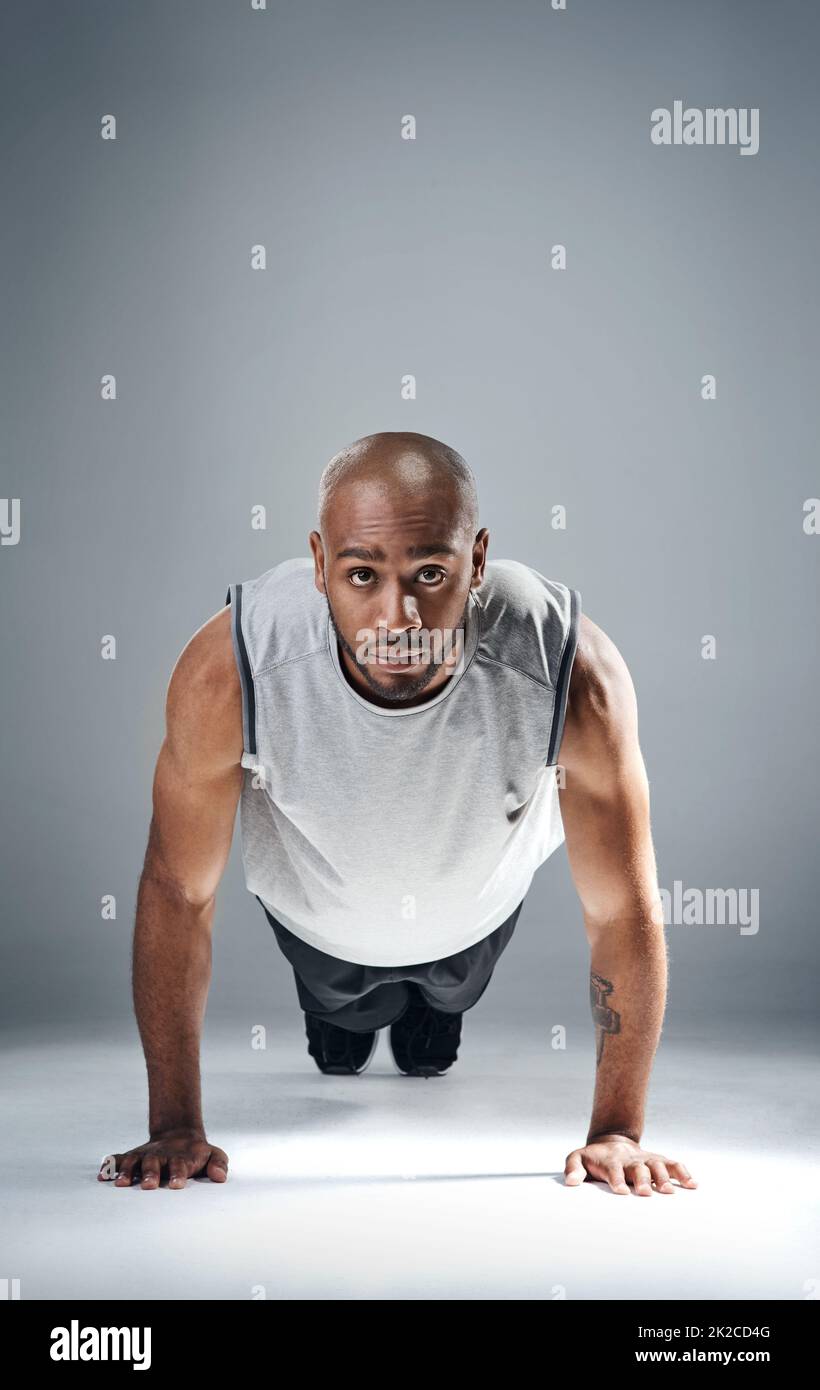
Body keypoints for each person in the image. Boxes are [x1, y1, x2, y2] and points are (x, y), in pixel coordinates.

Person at [99, 431, 697, 1198]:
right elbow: (178, 892)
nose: (398, 614)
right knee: (344, 1024)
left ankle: (430, 1020)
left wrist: (617, 1131)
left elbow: (623, 911)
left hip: (470, 919)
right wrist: (174, 1124)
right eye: (360, 574)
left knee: (439, 1014)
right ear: (318, 565)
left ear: (477, 561)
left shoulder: (569, 666)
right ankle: (344, 1022)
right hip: (321, 927)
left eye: (431, 572)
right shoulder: (233, 666)